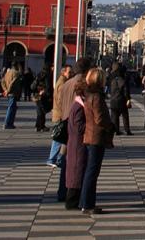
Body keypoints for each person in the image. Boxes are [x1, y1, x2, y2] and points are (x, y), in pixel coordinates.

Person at [80, 67, 116, 214]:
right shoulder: (97, 96)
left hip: (89, 136)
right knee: (92, 171)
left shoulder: (89, 94)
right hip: (96, 137)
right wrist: (111, 126)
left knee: (90, 171)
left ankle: (85, 202)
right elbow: (99, 118)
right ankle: (87, 204)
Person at [65, 78, 87, 210]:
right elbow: (79, 127)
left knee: (76, 170)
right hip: (77, 143)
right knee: (76, 171)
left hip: (76, 142)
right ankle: (72, 201)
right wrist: (90, 125)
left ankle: (74, 198)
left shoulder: (77, 104)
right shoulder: (78, 106)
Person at [47, 64, 73, 168]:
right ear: (63, 72)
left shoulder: (63, 82)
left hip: (60, 114)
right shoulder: (62, 83)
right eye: (69, 72)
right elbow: (60, 100)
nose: (71, 74)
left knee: (60, 137)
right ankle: (53, 158)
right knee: (59, 137)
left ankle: (57, 158)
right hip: (60, 114)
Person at [108, 63, 132, 135]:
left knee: (115, 117)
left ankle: (116, 130)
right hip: (121, 100)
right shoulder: (121, 80)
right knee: (125, 116)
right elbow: (125, 91)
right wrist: (128, 99)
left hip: (113, 100)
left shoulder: (111, 79)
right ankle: (127, 130)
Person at [0, 62, 22, 129]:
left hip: (8, 93)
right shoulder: (16, 73)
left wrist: (5, 89)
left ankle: (10, 123)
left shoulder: (7, 73)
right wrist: (8, 90)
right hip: (13, 93)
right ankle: (6, 123)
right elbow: (12, 83)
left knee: (13, 108)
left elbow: (2, 81)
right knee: (11, 108)